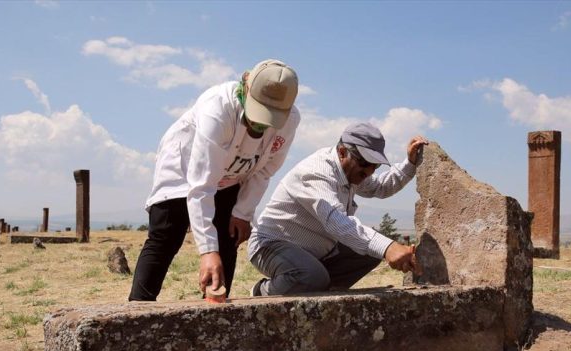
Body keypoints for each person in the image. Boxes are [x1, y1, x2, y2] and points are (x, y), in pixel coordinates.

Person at [129, 59, 300, 301]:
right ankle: (138, 308)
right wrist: (207, 252)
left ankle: (216, 311)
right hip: (185, 168)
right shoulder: (218, 108)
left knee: (228, 238)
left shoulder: (290, 120)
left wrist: (242, 212)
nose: (260, 125)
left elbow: (265, 170)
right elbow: (202, 185)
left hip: (232, 175)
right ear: (246, 86)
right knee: (167, 234)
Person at [247, 122, 426, 296]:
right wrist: (388, 247)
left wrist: (409, 164)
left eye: (375, 165)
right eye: (365, 163)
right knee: (312, 276)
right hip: (270, 244)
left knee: (370, 253)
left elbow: (380, 187)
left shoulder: (351, 170)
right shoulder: (317, 173)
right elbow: (337, 222)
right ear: (342, 152)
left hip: (316, 251)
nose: (369, 171)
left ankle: (318, 291)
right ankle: (262, 292)